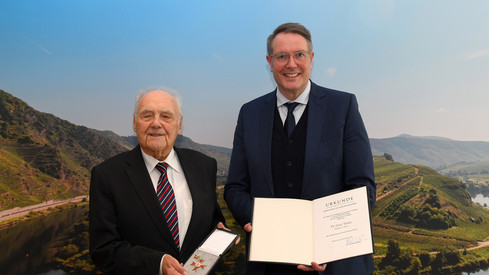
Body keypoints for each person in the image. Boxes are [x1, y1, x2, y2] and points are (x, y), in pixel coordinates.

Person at [224, 22, 376, 274]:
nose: (291, 64)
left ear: (311, 59)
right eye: (281, 56)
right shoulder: (249, 113)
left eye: (299, 55)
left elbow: (362, 186)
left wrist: (331, 244)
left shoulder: (343, 106)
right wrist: (257, 219)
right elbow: (235, 187)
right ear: (270, 62)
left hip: (334, 266)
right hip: (269, 264)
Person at [89, 88, 226, 275]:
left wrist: (220, 235)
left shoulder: (204, 166)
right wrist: (157, 263)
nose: (156, 123)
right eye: (147, 116)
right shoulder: (107, 175)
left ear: (179, 124)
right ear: (134, 123)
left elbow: (212, 220)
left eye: (166, 116)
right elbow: (103, 250)